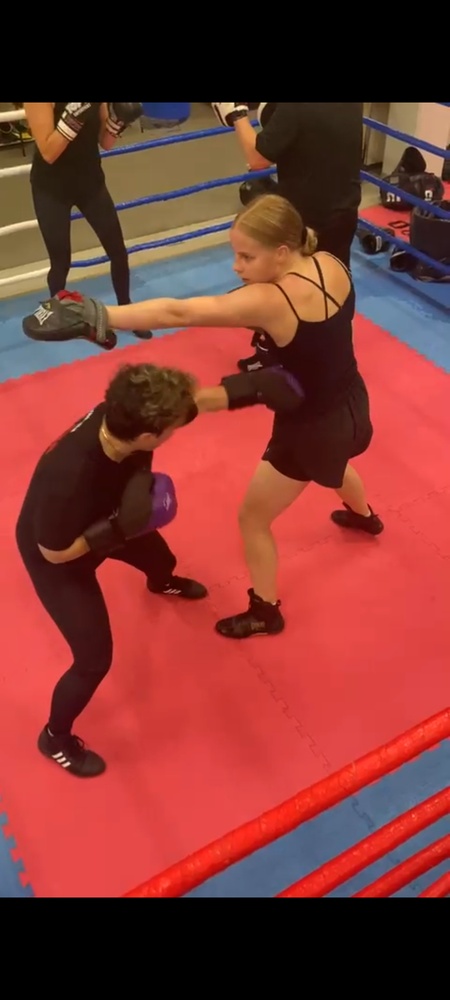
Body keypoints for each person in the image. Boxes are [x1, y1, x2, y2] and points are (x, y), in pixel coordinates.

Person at [24, 193, 384, 647]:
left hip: (310, 428)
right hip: (351, 401)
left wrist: (101, 315)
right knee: (336, 462)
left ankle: (265, 610)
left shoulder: (271, 300)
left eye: (247, 257)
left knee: (253, 519)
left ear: (281, 252)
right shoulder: (331, 263)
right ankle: (366, 517)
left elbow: (181, 311)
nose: (237, 266)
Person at [15, 362, 207, 778]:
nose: (176, 431)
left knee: (163, 561)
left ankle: (162, 582)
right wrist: (118, 528)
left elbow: (178, 412)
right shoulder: (68, 478)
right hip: (59, 553)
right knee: (93, 661)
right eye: (172, 428)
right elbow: (56, 553)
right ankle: (55, 737)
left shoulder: (121, 415)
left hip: (104, 512)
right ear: (147, 435)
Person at [211, 102, 364, 372]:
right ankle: (336, 353)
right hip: (345, 207)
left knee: (284, 288)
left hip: (305, 218)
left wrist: (237, 115)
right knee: (337, 280)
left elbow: (257, 158)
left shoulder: (295, 106)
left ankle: (276, 357)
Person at [23, 102, 152, 340]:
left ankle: (127, 313)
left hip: (90, 183)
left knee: (118, 252)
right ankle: (56, 319)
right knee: (61, 261)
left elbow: (105, 142)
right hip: (51, 189)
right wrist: (75, 115)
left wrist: (118, 121)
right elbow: (49, 153)